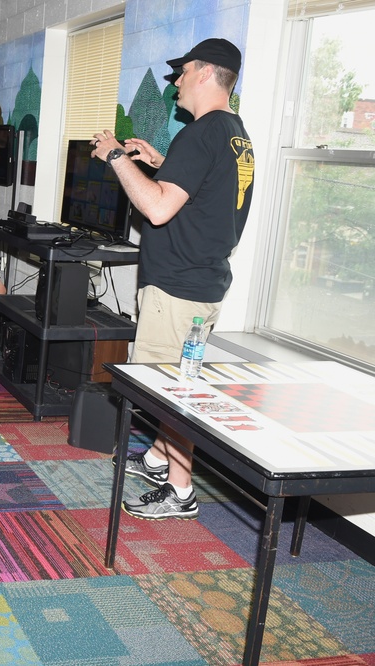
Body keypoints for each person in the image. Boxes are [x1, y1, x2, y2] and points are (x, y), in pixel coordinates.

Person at [90, 38, 255, 520]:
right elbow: (203, 194)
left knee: (167, 393)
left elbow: (158, 208)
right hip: (203, 284)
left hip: (177, 287)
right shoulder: (233, 134)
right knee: (181, 382)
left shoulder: (202, 133)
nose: (176, 81)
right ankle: (162, 459)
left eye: (183, 72)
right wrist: (162, 163)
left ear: (206, 73)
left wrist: (116, 157)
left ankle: (179, 491)